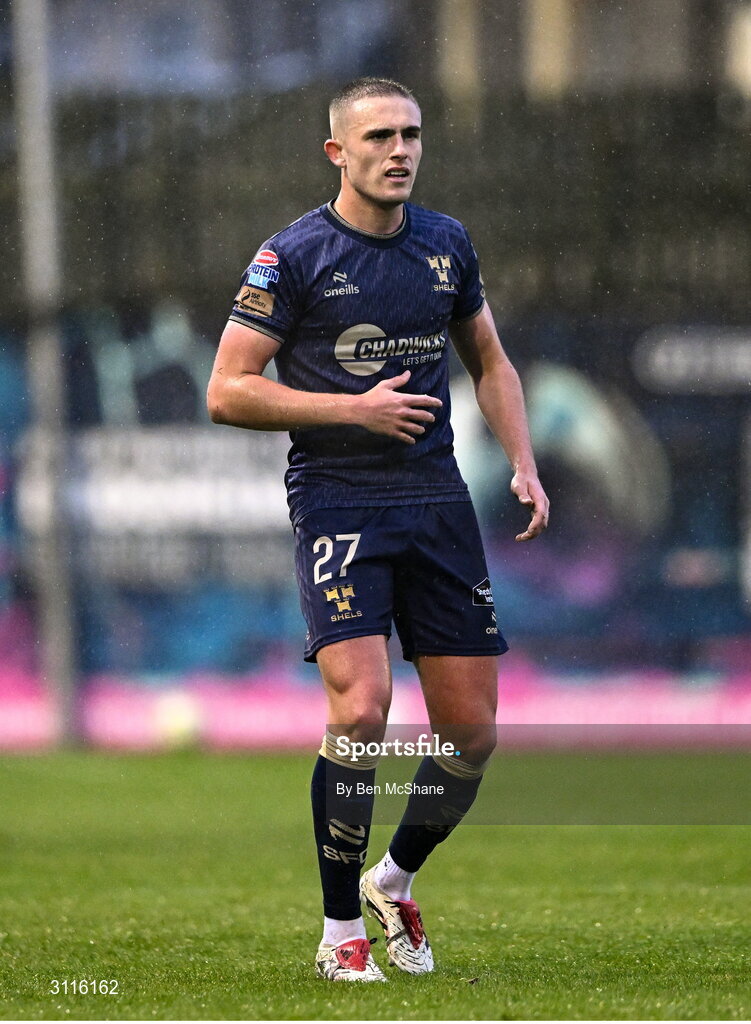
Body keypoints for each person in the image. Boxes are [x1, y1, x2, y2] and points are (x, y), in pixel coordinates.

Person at [207, 77, 549, 982]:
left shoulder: (445, 244)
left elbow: (489, 358)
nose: (399, 151)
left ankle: (391, 881)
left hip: (435, 503)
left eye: (412, 135)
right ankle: (336, 934)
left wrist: (521, 460)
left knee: (470, 733)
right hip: (338, 500)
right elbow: (227, 389)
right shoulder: (291, 257)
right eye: (379, 138)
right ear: (338, 153)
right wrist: (349, 412)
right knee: (360, 709)